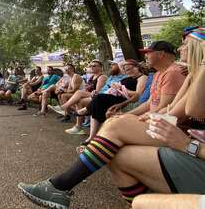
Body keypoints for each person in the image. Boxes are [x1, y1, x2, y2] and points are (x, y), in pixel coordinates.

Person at [17, 35, 204, 209]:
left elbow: (179, 112)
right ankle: (88, 154)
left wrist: (186, 144)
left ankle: (62, 182)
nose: (180, 48)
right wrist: (133, 115)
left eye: (185, 44)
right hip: (172, 127)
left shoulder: (176, 72)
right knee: (115, 144)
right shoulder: (179, 74)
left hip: (175, 130)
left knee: (114, 123)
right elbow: (159, 105)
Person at [78, 59, 147, 144]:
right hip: (115, 95)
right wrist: (115, 86)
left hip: (123, 98)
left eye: (130, 69)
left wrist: (121, 88)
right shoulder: (129, 77)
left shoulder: (142, 77)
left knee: (99, 99)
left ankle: (87, 112)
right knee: (97, 103)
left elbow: (138, 94)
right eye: (126, 70)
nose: (128, 71)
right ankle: (91, 137)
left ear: (137, 67)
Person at [61, 59, 109, 135]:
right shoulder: (92, 76)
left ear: (100, 67)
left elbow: (97, 92)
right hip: (90, 95)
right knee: (79, 101)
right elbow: (87, 87)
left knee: (79, 92)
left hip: (98, 96)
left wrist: (86, 91)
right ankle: (78, 127)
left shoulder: (102, 77)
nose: (92, 67)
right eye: (91, 66)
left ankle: (63, 107)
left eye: (94, 66)